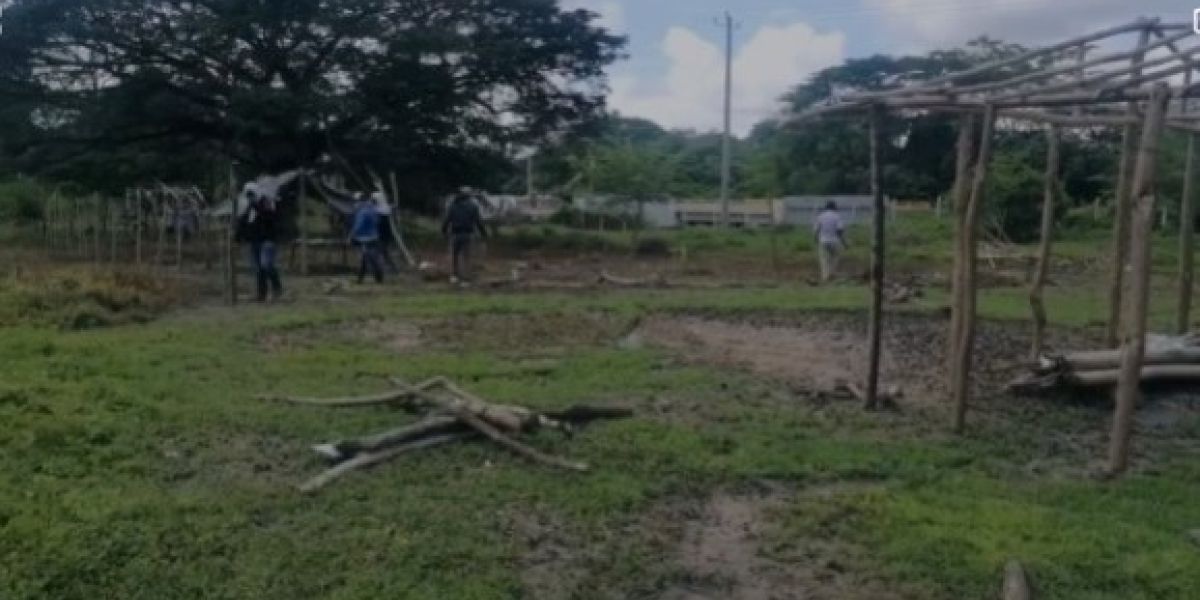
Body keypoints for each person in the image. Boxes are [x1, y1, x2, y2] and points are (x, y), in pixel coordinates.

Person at [236, 184, 284, 302]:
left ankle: (277, 287)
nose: (250, 197)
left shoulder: (266, 202)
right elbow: (244, 222)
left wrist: (256, 207)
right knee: (258, 269)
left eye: (252, 194)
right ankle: (262, 293)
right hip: (255, 241)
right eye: (248, 195)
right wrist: (238, 235)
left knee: (266, 264)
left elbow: (271, 217)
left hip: (268, 240)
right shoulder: (249, 207)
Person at [441, 191, 488, 284]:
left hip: (455, 234)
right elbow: (478, 222)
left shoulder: (452, 207)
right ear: (468, 198)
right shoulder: (473, 207)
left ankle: (454, 276)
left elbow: (446, 220)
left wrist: (444, 232)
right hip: (468, 235)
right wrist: (484, 233)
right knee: (467, 257)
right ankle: (466, 278)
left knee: (454, 256)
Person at [349, 194, 385, 284]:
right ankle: (377, 278)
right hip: (374, 237)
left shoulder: (362, 211)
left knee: (364, 259)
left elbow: (358, 225)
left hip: (363, 239)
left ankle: (362, 279)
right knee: (372, 259)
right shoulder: (373, 210)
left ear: (360, 202)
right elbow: (378, 221)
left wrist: (351, 235)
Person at [813, 200, 848, 283]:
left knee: (824, 259)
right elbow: (839, 231)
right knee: (835, 258)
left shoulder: (820, 216)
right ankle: (832, 274)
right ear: (834, 207)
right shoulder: (837, 216)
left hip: (823, 240)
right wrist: (844, 243)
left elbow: (816, 230)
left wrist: (815, 239)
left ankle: (825, 276)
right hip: (834, 241)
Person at [372, 191, 402, 274]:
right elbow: (392, 208)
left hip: (381, 235)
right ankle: (391, 269)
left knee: (380, 252)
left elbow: (392, 209)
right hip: (383, 234)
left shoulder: (381, 209)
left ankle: (383, 269)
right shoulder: (383, 209)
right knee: (383, 252)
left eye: (374, 199)